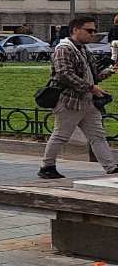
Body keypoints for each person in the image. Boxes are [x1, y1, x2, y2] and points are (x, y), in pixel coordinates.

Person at [38, 15, 118, 179]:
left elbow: (92, 75)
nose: (93, 34)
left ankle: (111, 167)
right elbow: (64, 74)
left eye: (94, 31)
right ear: (75, 30)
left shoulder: (83, 49)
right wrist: (91, 87)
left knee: (97, 136)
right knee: (61, 135)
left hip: (87, 101)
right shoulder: (64, 49)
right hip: (69, 101)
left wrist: (110, 70)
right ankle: (47, 167)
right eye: (89, 30)